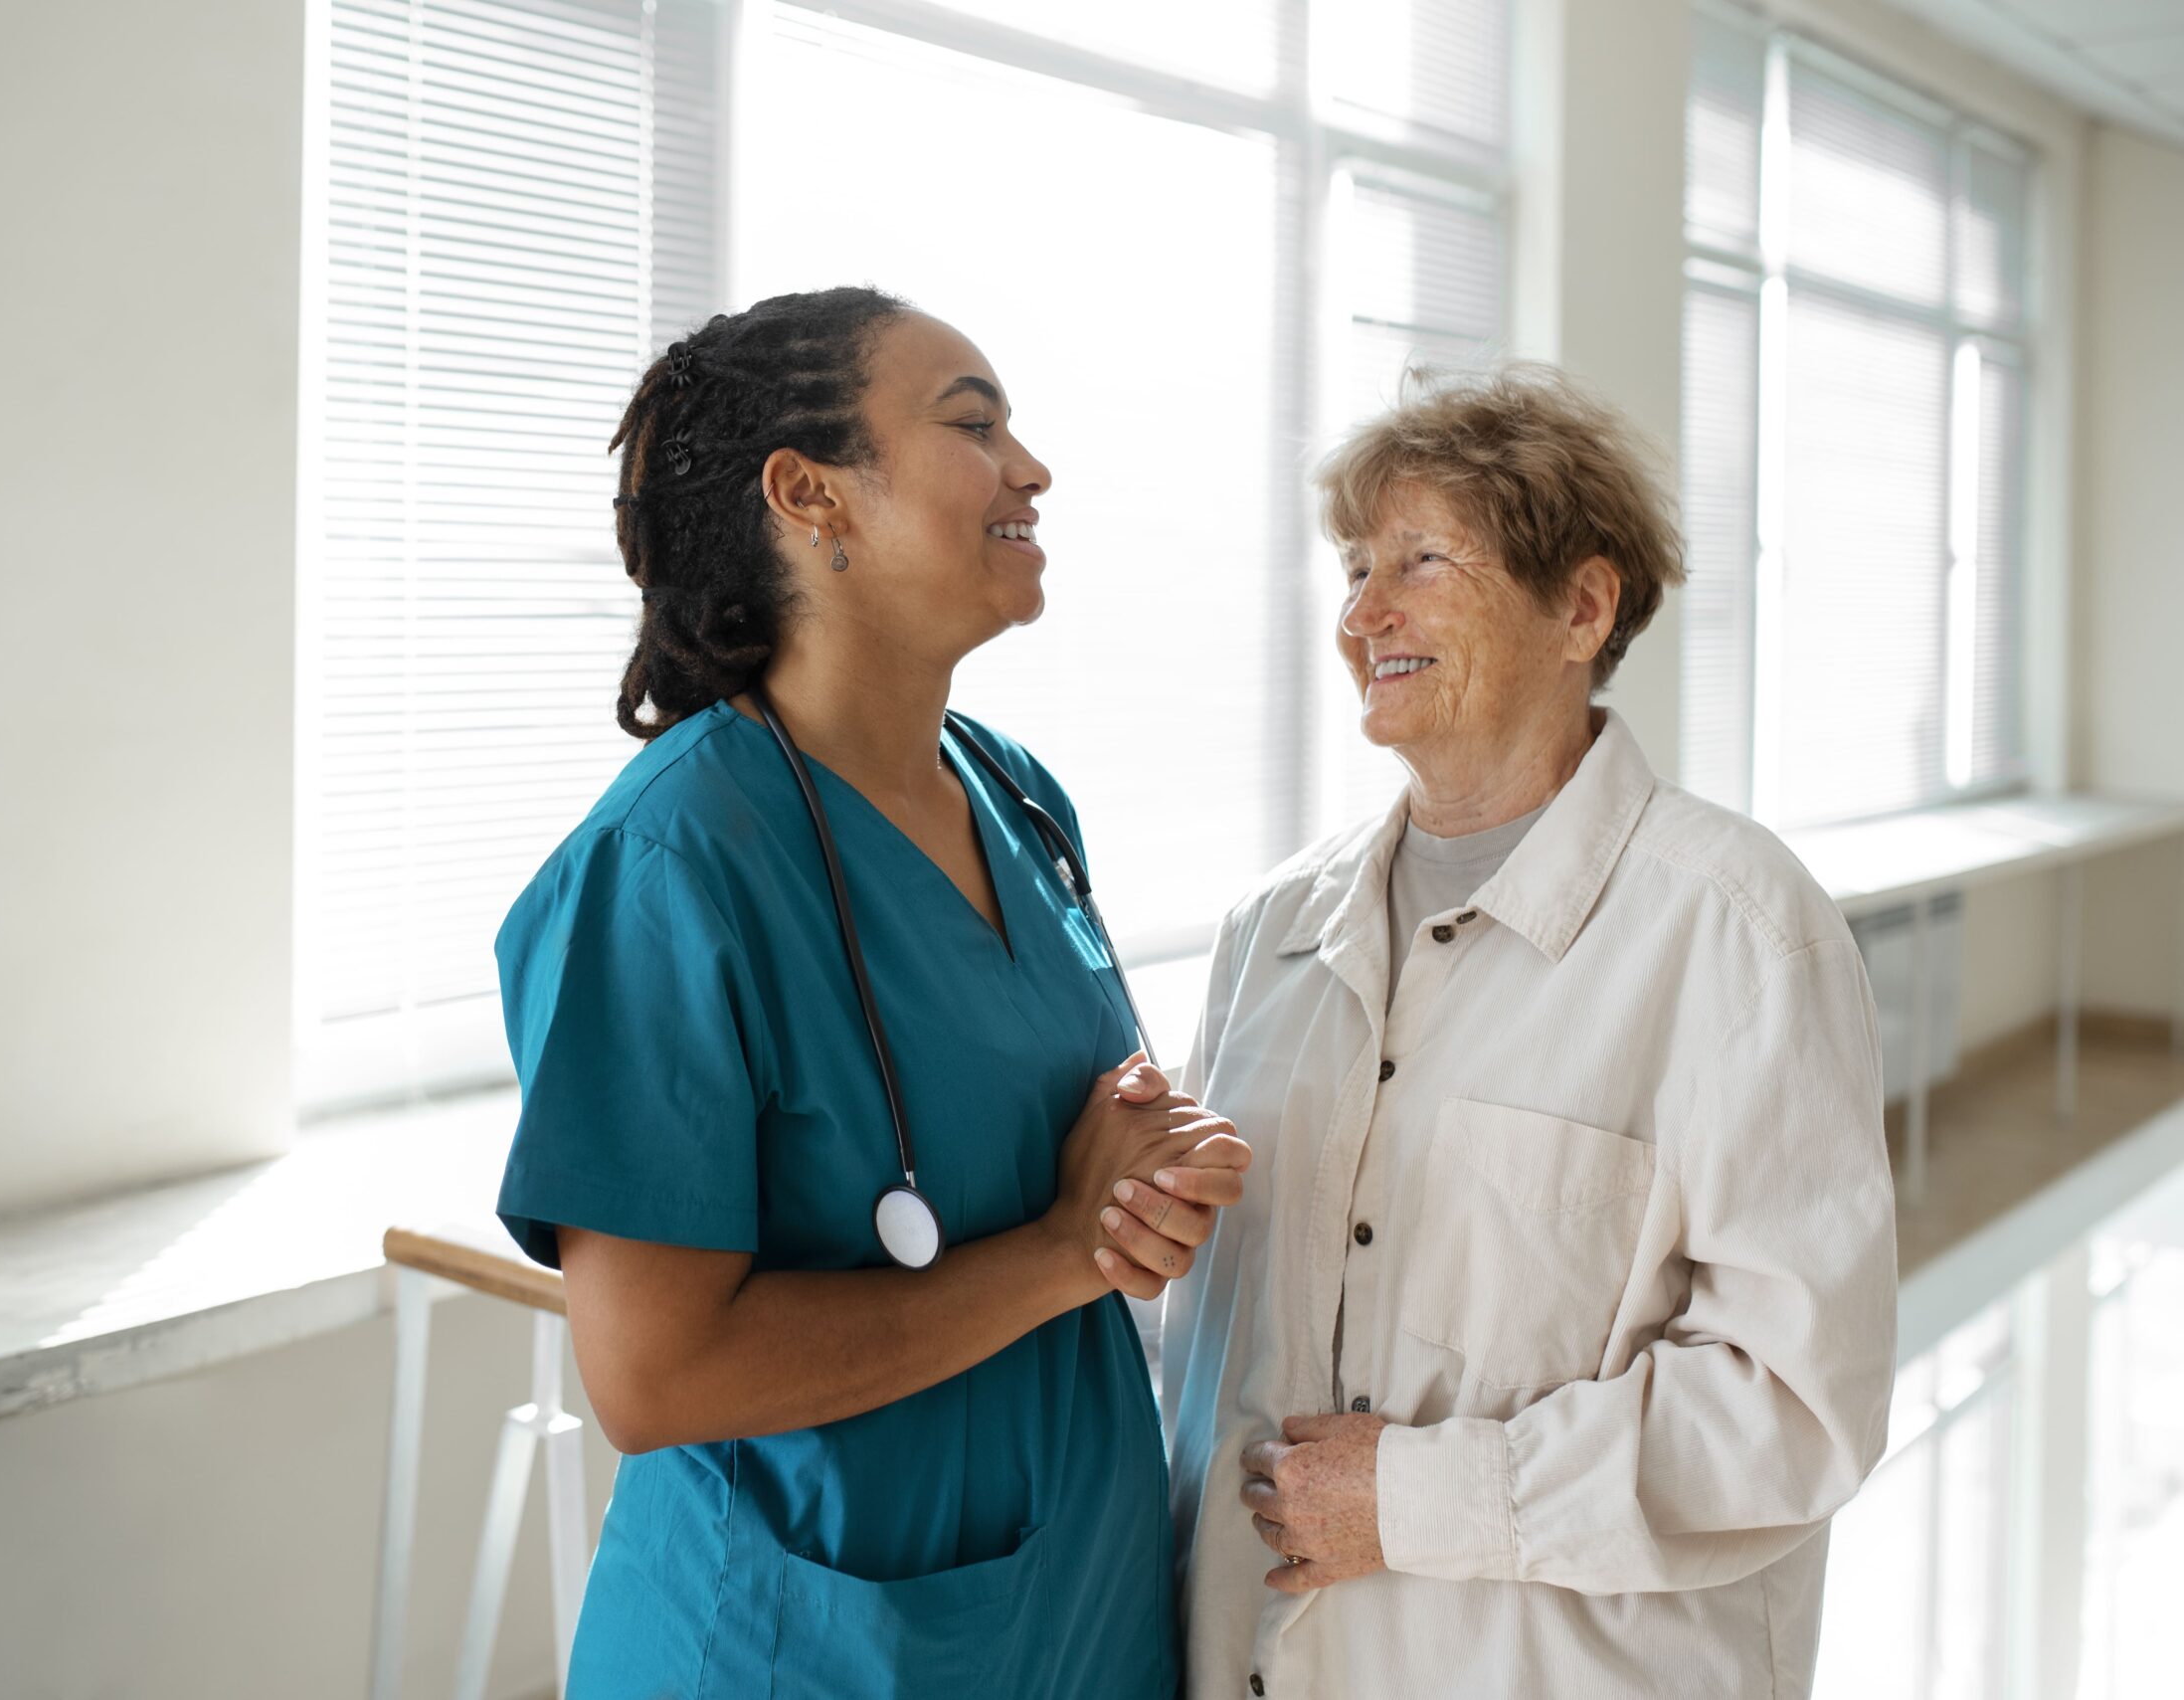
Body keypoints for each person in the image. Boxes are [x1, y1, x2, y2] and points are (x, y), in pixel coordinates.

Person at [494, 285, 1245, 1696]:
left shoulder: (1018, 795)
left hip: (1078, 1611)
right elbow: (653, 1376)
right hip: (807, 1644)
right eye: (974, 424)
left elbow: (1046, 1122)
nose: (1030, 467)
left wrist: (1150, 1165)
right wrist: (1064, 1249)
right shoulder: (669, 863)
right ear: (810, 495)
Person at [1163, 364, 1898, 1698]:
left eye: (1420, 562)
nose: (1361, 615)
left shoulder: (1737, 930)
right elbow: (1213, 1338)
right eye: (1351, 568)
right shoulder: (1266, 933)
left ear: (1582, 605)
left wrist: (1420, 1496)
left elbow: (1795, 1407)